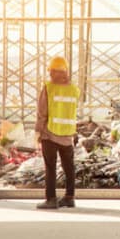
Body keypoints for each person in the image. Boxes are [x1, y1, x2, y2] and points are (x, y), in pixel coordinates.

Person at [35, 56, 80, 210]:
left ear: (52, 72)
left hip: (50, 133)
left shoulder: (49, 88)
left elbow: (42, 112)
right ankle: (69, 197)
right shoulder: (74, 89)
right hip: (67, 134)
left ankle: (51, 199)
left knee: (50, 167)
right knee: (69, 167)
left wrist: (38, 131)